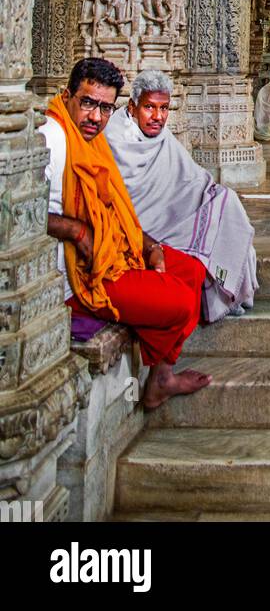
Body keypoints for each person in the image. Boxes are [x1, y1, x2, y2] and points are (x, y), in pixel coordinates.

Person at [42, 58, 211, 411]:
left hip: (111, 249)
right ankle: (158, 376)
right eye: (87, 102)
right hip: (79, 273)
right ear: (68, 95)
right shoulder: (53, 139)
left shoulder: (92, 139)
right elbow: (19, 214)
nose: (95, 116)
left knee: (192, 271)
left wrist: (148, 244)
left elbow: (113, 210)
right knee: (179, 303)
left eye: (105, 107)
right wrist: (74, 229)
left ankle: (161, 378)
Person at [104, 71, 258, 323]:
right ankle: (220, 295)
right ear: (132, 107)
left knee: (226, 202)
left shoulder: (160, 136)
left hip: (172, 211)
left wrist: (208, 192)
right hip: (142, 224)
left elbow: (188, 175)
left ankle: (229, 290)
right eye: (150, 108)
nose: (158, 117)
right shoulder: (115, 138)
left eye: (164, 108)